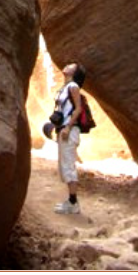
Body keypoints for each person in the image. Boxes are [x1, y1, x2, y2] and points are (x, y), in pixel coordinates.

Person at [53, 62, 87, 215]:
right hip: (64, 129)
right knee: (65, 166)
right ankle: (71, 201)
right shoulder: (65, 87)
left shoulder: (73, 86)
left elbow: (78, 109)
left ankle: (73, 204)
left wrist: (67, 127)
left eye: (71, 65)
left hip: (69, 130)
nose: (67, 65)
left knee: (68, 166)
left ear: (74, 72)